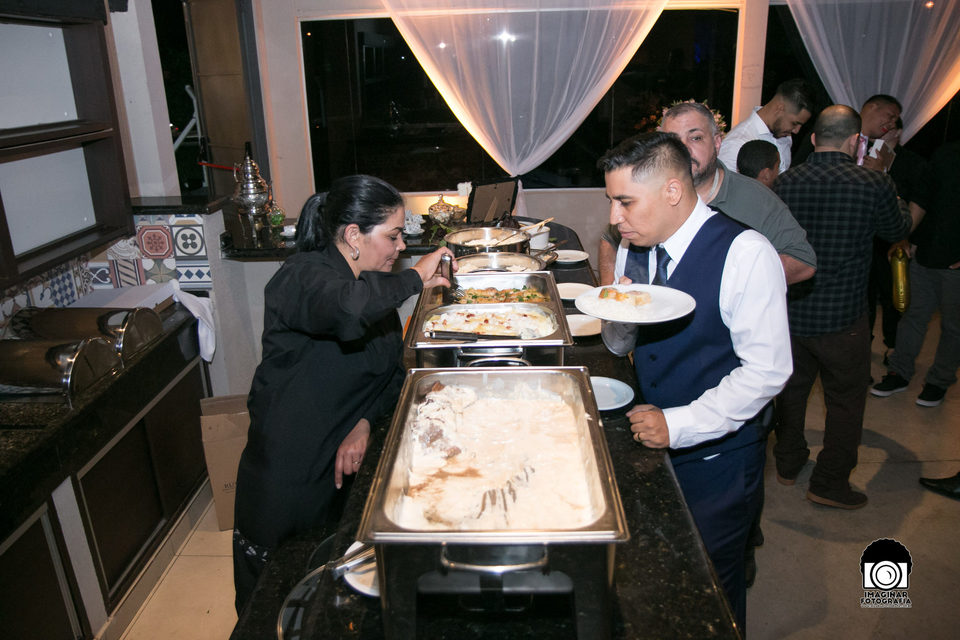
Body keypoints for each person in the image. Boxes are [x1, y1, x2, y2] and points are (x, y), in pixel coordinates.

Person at [232, 175, 455, 612]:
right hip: (292, 468)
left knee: (329, 596)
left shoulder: (370, 284)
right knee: (275, 600)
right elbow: (347, 310)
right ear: (353, 235)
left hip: (339, 461)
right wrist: (415, 278)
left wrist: (364, 421)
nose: (400, 247)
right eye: (393, 236)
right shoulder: (302, 277)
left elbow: (390, 373)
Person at [598, 131, 792, 633]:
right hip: (649, 435)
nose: (615, 218)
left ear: (672, 191)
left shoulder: (746, 253)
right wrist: (618, 310)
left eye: (625, 202)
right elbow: (620, 346)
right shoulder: (634, 245)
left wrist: (680, 424)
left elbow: (768, 370)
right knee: (663, 570)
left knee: (710, 588)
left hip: (718, 456)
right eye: (612, 202)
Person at [772, 106, 911, 509]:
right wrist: (886, 177)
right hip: (844, 316)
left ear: (814, 138)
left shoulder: (784, 181)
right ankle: (829, 482)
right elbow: (898, 229)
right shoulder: (872, 182)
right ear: (855, 142)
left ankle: (787, 463)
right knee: (845, 402)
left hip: (792, 312)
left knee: (790, 393)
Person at [598, 101, 817, 286]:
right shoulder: (650, 196)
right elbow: (609, 240)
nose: (683, 149)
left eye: (695, 138)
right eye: (673, 141)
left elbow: (803, 262)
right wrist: (610, 299)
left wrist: (733, 281)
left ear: (717, 142)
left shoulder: (756, 198)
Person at [871, 140, 960, 407]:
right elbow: (922, 198)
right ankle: (899, 372)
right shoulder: (946, 152)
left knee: (953, 326)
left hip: (955, 264)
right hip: (925, 251)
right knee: (912, 316)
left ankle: (939, 380)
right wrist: (902, 235)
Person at [865, 119, 931, 359]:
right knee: (864, 298)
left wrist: (907, 237)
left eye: (888, 128)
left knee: (894, 297)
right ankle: (863, 346)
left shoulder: (912, 162)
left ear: (899, 132)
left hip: (895, 241)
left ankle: (893, 346)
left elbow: (918, 202)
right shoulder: (863, 156)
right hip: (866, 239)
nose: (882, 132)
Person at [718, 78, 814, 174]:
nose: (796, 131)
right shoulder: (736, 144)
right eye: (794, 123)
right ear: (780, 108)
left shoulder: (783, 135)